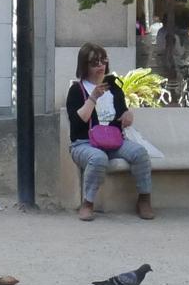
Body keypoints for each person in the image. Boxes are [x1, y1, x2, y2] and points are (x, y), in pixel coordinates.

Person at [66, 42, 154, 222]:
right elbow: (77, 122)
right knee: (98, 158)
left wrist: (128, 115)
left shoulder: (114, 88)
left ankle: (144, 199)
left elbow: (122, 112)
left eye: (103, 61)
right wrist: (93, 98)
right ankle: (88, 203)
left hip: (113, 141)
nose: (100, 66)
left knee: (140, 154)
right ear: (84, 66)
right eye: (94, 63)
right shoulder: (77, 90)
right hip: (84, 143)